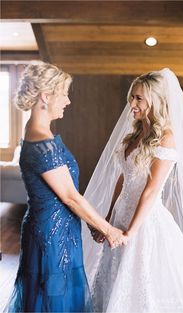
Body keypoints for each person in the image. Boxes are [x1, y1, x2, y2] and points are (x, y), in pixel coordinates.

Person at [82, 68, 183, 312]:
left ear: (156, 100)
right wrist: (108, 220)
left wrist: (131, 232)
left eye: (138, 98)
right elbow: (124, 179)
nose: (132, 103)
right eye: (132, 96)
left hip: (144, 222)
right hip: (121, 214)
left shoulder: (166, 138)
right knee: (112, 276)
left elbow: (151, 190)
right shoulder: (134, 135)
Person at [4, 61, 127, 313]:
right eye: (64, 94)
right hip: (52, 235)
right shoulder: (41, 141)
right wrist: (108, 229)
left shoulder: (37, 133)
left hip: (56, 228)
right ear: (46, 96)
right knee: (54, 298)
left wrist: (93, 225)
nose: (68, 101)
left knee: (52, 295)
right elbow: (70, 197)